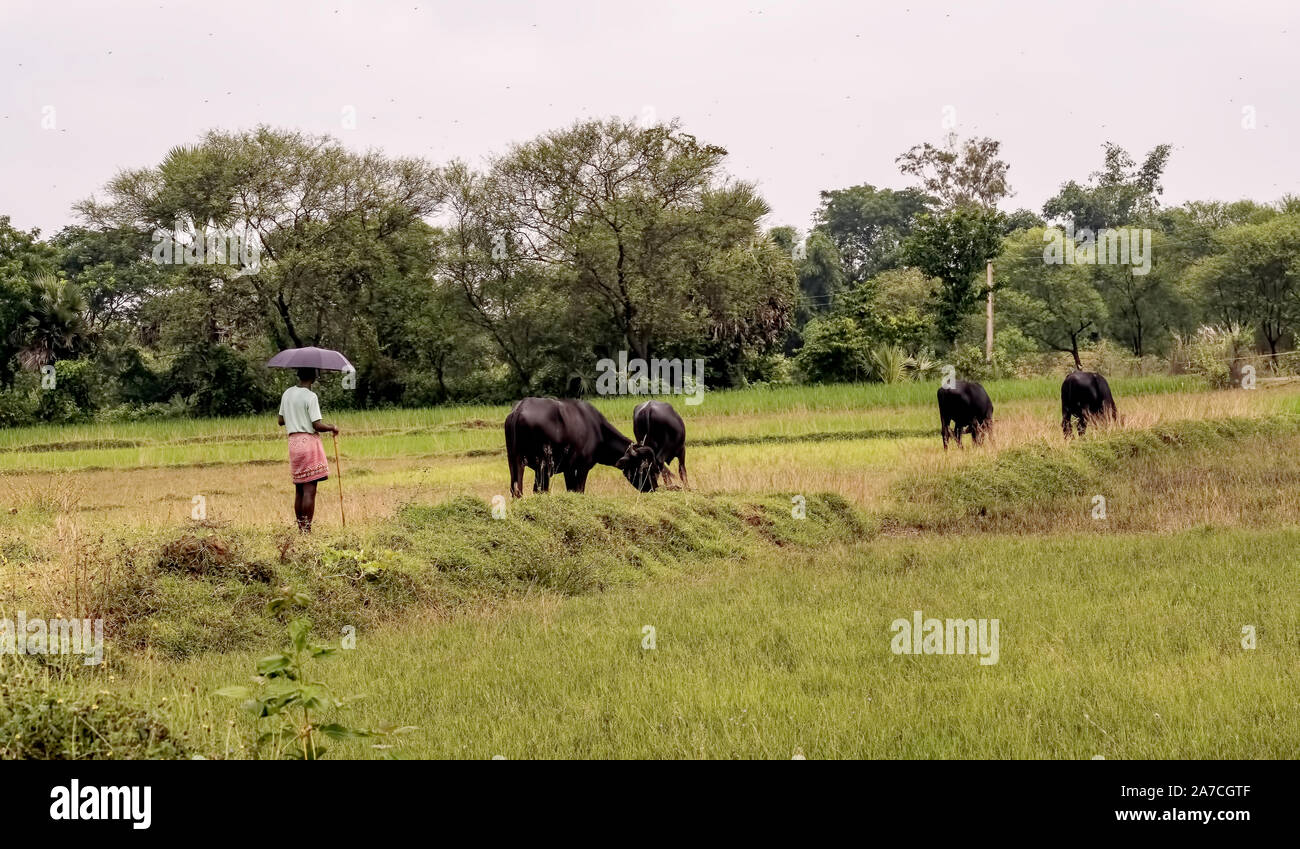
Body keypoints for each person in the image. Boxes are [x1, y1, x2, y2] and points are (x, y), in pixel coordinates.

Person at [277, 367, 339, 532]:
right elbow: (316, 425)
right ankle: (307, 531)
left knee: (299, 489)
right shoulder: (311, 396)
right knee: (310, 490)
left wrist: (294, 416)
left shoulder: (287, 393)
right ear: (314, 377)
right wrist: (332, 427)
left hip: (294, 444)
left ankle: (301, 529)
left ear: (298, 374)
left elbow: (280, 420)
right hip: (308, 444)